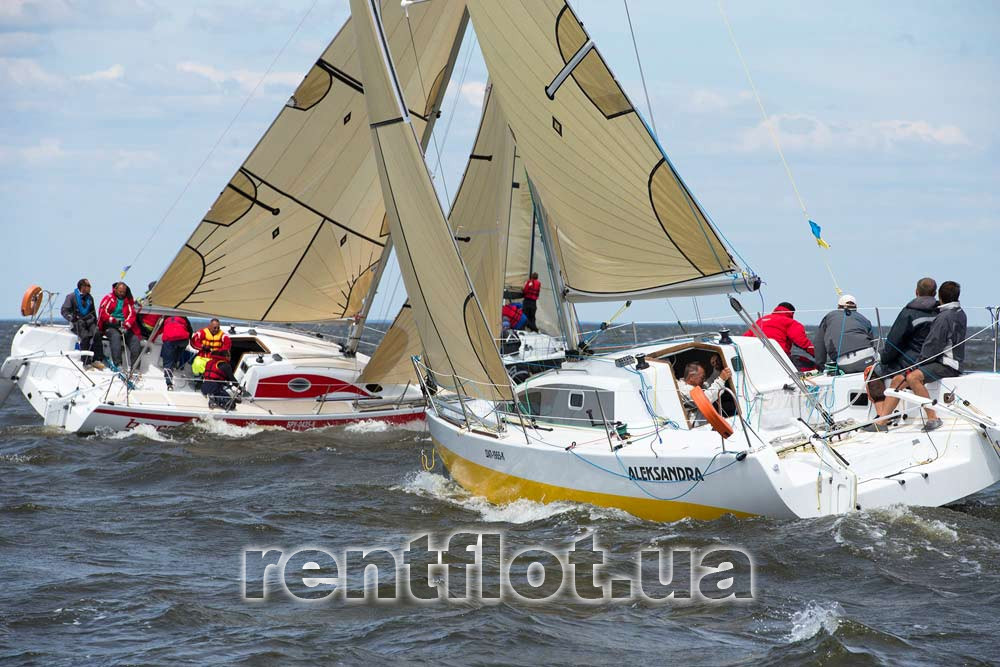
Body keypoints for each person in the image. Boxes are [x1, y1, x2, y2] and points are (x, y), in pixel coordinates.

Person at [873, 281, 965, 432]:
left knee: (912, 377)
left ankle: (933, 418)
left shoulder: (943, 318)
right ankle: (882, 422)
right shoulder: (959, 312)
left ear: (940, 296)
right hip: (943, 362)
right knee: (897, 380)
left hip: (948, 364)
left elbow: (933, 346)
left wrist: (917, 364)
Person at [868, 277, 938, 416]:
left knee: (872, 372)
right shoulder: (942, 313)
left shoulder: (909, 312)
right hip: (934, 361)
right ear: (935, 293)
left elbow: (893, 342)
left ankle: (881, 415)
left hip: (912, 362)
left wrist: (884, 359)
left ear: (916, 292)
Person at [812, 294, 877, 374]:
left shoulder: (829, 317)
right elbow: (872, 342)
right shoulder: (864, 319)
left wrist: (820, 366)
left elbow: (819, 343)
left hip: (845, 363)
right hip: (867, 359)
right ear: (856, 307)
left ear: (839, 306)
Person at [743, 302, 815, 368]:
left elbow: (745, 338)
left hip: (757, 357)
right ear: (792, 313)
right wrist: (817, 354)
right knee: (811, 366)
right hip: (779, 359)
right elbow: (802, 342)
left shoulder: (760, 320)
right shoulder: (790, 322)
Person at [60, 278, 105, 370]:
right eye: (88, 286)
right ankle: (86, 361)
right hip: (77, 322)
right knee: (85, 336)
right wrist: (71, 317)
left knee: (96, 333)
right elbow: (64, 310)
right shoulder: (71, 297)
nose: (90, 288)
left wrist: (95, 323)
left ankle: (97, 359)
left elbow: (93, 312)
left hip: (89, 321)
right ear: (82, 287)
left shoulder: (89, 298)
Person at [98, 281, 141, 371]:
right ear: (116, 289)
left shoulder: (128, 301)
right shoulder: (109, 298)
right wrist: (114, 321)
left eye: (123, 292)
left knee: (135, 340)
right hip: (111, 325)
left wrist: (126, 326)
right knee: (115, 336)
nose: (122, 294)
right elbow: (103, 313)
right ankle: (118, 364)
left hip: (124, 326)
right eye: (120, 291)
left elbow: (132, 315)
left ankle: (135, 367)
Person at [678, 361, 732, 426]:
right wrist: (721, 380)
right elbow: (705, 399)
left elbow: (709, 382)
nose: (704, 380)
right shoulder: (684, 390)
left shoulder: (694, 385)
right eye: (702, 378)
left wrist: (717, 369)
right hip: (699, 430)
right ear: (691, 377)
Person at [160, 315, 194, 390]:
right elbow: (190, 330)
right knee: (179, 349)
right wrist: (190, 339)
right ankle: (175, 363)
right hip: (183, 340)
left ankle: (169, 384)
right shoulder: (183, 316)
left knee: (168, 362)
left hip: (169, 339)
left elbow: (160, 329)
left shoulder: (166, 316)